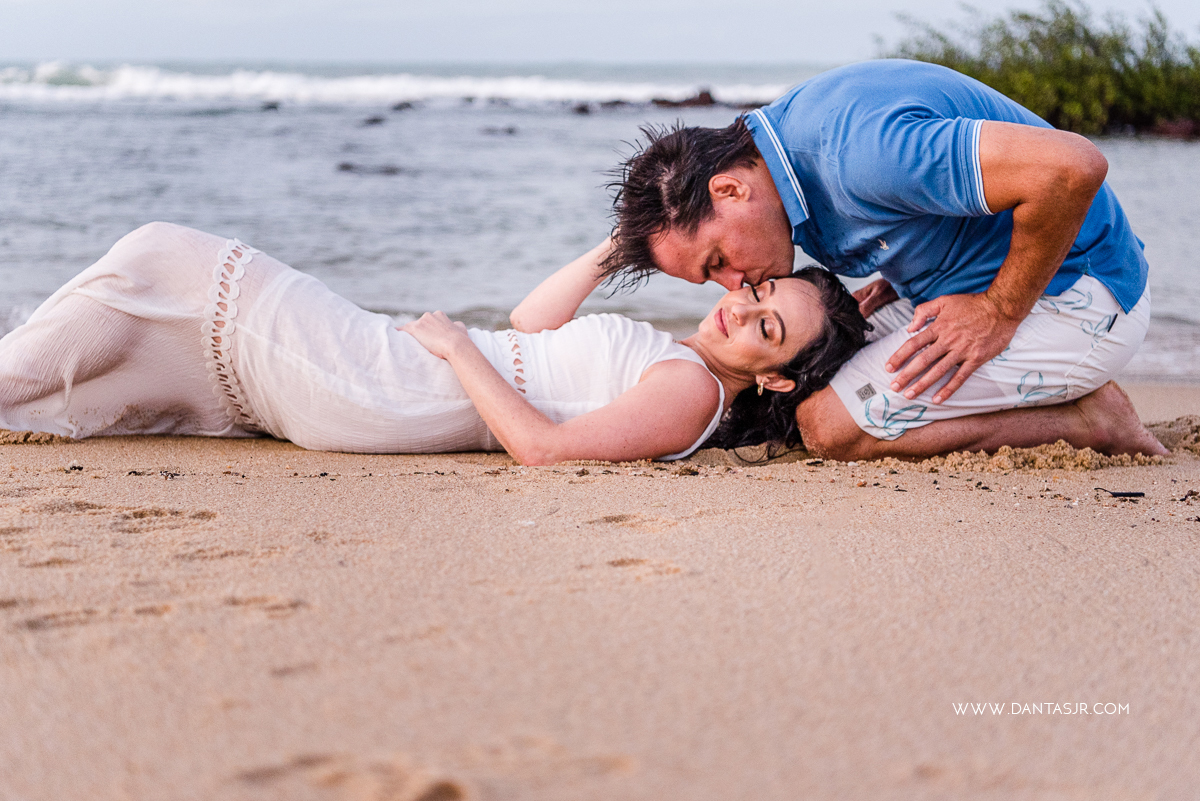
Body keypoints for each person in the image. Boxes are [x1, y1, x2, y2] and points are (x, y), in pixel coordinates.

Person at [535, 59, 1167, 458]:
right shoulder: (775, 158)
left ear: (729, 189)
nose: (732, 286)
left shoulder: (859, 154)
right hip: (961, 287)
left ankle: (1088, 419)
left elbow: (1071, 167)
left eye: (718, 261)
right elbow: (915, 213)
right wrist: (896, 282)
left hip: (1080, 297)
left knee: (831, 427)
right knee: (813, 369)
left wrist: (998, 310)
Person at [0, 222, 869, 464]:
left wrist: (458, 349)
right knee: (158, 284)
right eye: (757, 291)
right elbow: (533, 329)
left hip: (406, 386)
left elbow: (544, 447)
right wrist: (620, 248)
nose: (741, 308)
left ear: (784, 382)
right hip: (403, 375)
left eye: (768, 327)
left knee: (164, 256)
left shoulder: (694, 392)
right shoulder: (686, 362)